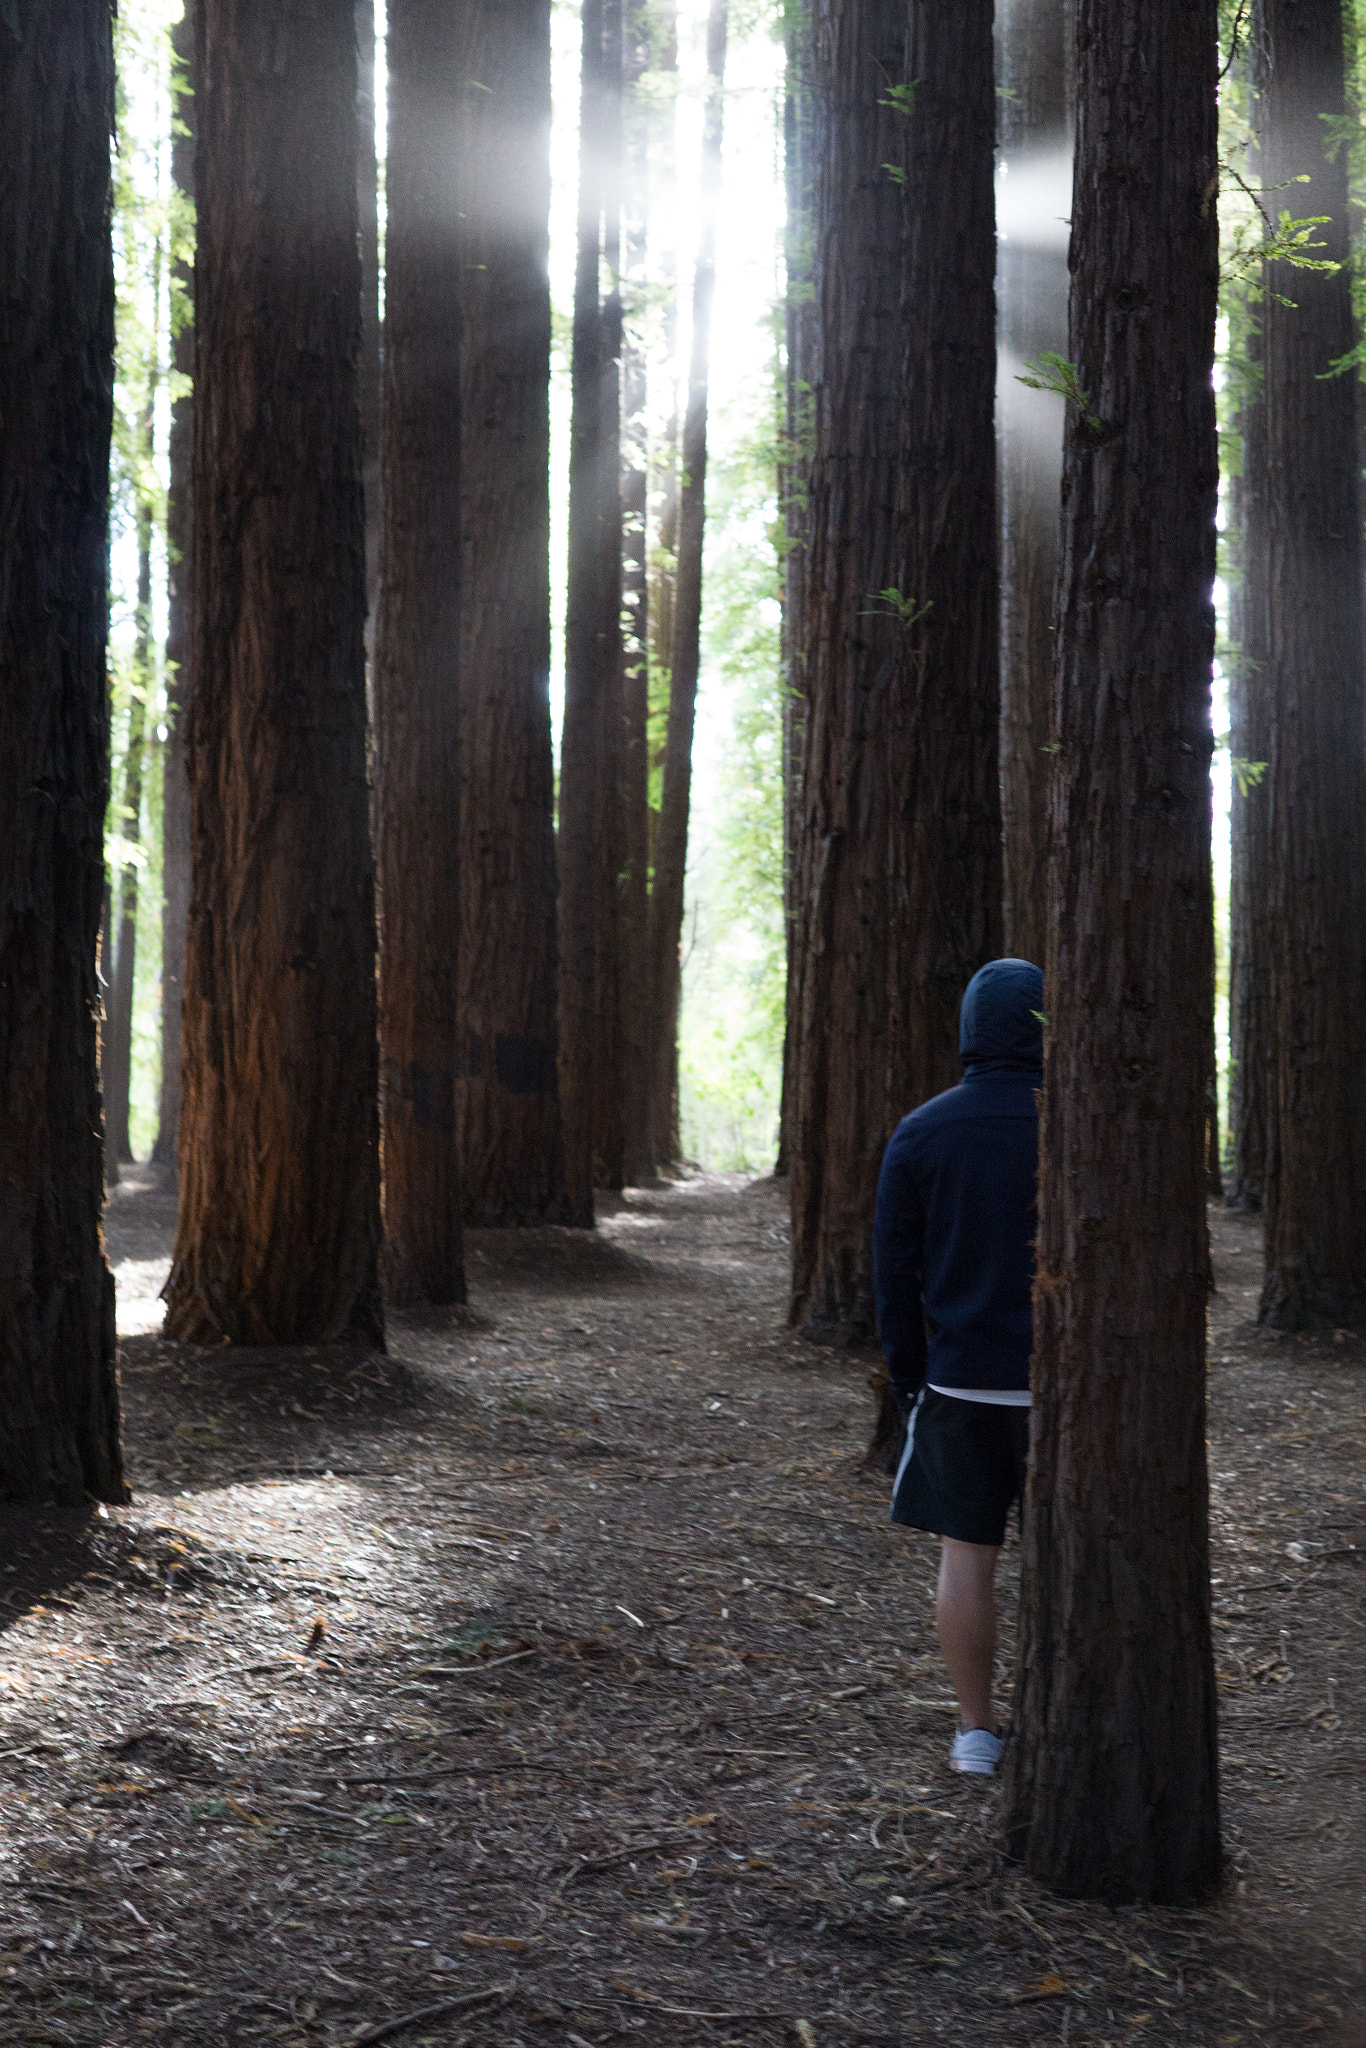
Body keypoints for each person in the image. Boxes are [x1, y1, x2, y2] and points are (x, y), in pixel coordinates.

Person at [873, 957, 1043, 1777]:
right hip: (1068, 1389)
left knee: (966, 1556)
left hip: (961, 1380)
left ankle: (976, 1733)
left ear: (971, 1030)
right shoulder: (1082, 1123)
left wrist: (912, 1382)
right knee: (1070, 1552)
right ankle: (1065, 1721)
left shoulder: (924, 1129)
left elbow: (893, 1272)